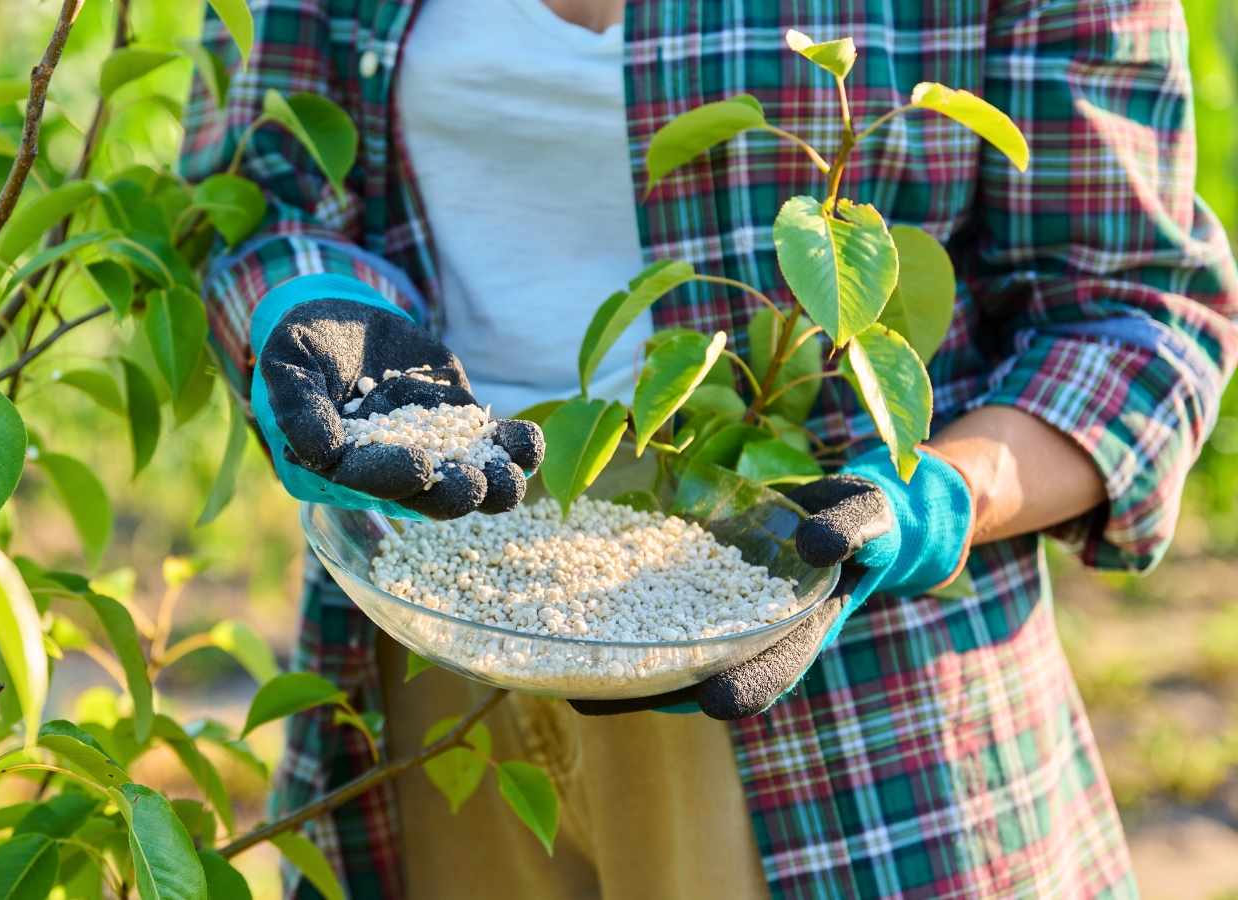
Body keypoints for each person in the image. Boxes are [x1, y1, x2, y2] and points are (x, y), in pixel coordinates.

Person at [182, 0, 1238, 895]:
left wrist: (936, 498)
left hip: (845, 685)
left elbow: (1134, 312)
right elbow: (262, 189)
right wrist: (316, 311)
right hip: (427, 631)